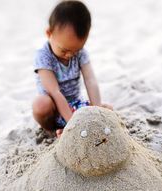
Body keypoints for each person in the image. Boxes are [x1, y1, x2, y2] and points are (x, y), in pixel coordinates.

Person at [32, 0, 112, 137]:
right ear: (49, 33)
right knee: (40, 105)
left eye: (76, 50)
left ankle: (68, 127)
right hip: (54, 109)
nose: (70, 55)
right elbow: (55, 92)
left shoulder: (80, 53)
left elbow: (90, 80)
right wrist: (72, 126)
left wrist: (97, 110)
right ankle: (53, 130)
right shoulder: (43, 56)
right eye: (64, 50)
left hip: (75, 104)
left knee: (107, 109)